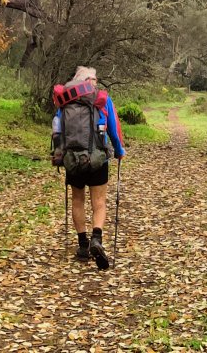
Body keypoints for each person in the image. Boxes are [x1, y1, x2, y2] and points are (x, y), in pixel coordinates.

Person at [51, 66, 126, 269]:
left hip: (73, 159)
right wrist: (119, 150)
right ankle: (96, 238)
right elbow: (113, 128)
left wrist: (58, 155)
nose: (95, 82)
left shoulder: (65, 100)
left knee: (78, 200)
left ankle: (83, 245)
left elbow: (57, 130)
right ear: (88, 80)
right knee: (99, 202)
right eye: (94, 78)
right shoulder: (101, 99)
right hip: (97, 158)